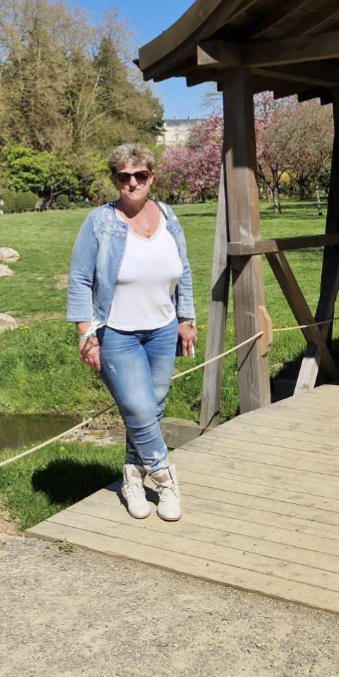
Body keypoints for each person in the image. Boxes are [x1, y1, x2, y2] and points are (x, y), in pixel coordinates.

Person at [66, 144, 196, 522]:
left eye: (140, 175)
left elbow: (184, 268)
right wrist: (85, 333)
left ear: (152, 177)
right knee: (138, 408)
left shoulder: (168, 215)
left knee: (150, 409)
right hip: (117, 333)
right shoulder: (100, 221)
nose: (133, 183)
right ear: (114, 179)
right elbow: (80, 278)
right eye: (124, 176)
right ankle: (166, 479)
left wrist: (186, 318)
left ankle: (133, 477)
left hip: (162, 329)